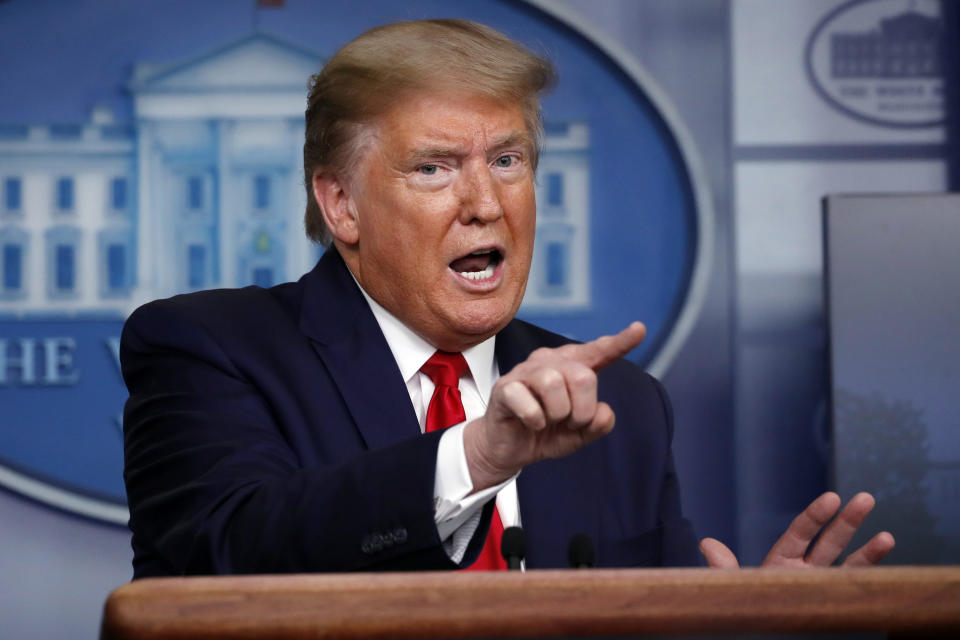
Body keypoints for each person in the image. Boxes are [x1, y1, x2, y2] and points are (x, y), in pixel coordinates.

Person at [120, 19, 894, 578]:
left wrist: (741, 627)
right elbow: (224, 555)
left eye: (508, 159)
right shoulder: (208, 348)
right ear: (341, 205)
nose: (485, 202)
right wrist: (478, 455)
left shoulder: (619, 407)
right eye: (434, 168)